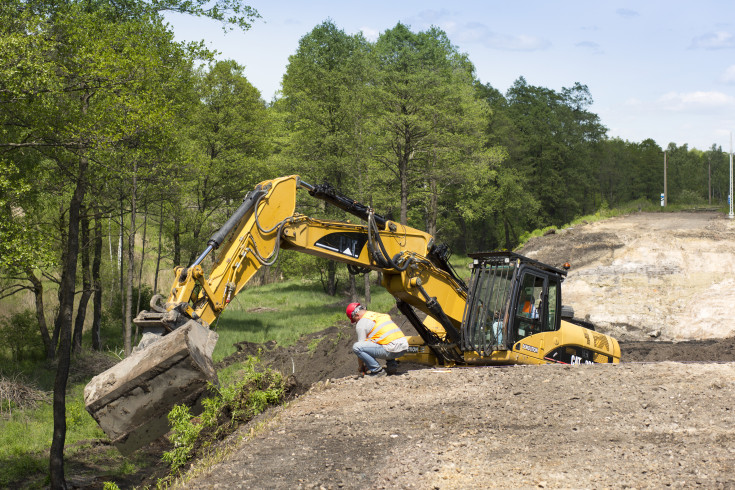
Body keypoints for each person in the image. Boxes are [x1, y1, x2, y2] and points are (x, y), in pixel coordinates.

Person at [347, 302, 408, 376]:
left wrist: (361, 366)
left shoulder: (361, 323)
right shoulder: (379, 315)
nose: (356, 322)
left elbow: (361, 346)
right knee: (382, 339)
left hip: (391, 349)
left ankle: (377, 371)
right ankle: (392, 366)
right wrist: (367, 361)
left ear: (356, 315)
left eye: (355, 320)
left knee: (357, 347)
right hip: (403, 348)